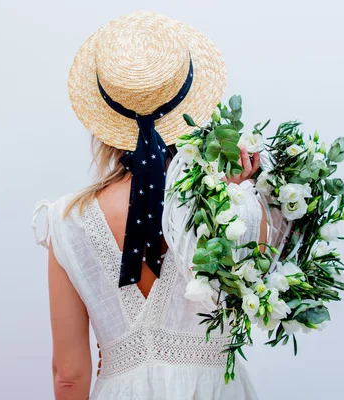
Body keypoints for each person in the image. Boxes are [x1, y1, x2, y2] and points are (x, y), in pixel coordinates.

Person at [32, 11, 268, 400]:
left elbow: (69, 375)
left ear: (105, 118)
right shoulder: (234, 202)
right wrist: (241, 197)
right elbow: (260, 299)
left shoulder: (67, 221)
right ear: (191, 105)